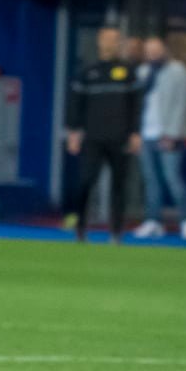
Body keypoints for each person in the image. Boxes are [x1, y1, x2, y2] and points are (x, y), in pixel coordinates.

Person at [63, 25, 143, 244]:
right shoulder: (88, 72)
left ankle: (116, 232)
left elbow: (136, 105)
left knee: (119, 186)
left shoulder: (128, 72)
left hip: (120, 137)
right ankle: (80, 227)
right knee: (86, 181)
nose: (111, 43)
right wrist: (73, 132)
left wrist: (135, 133)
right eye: (108, 39)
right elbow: (75, 104)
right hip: (93, 138)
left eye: (115, 39)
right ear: (100, 41)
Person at [133, 35, 186, 240]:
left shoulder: (178, 70)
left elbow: (182, 103)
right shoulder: (142, 71)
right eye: (149, 50)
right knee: (151, 180)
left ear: (164, 49)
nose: (153, 53)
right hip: (146, 133)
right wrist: (136, 132)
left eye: (156, 49)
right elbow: (136, 103)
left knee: (172, 177)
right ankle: (153, 221)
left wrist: (172, 133)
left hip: (169, 134)